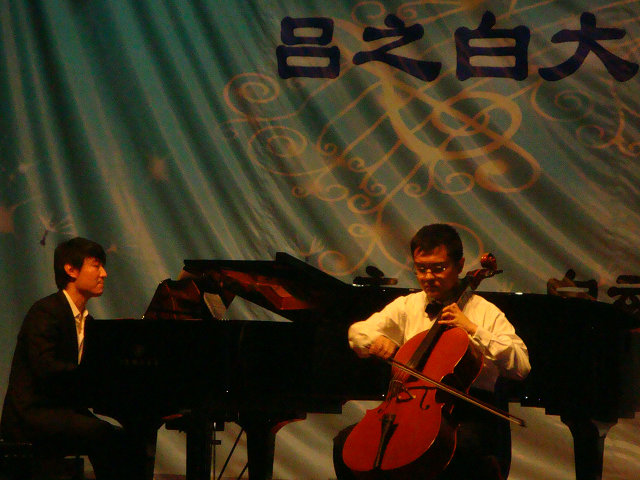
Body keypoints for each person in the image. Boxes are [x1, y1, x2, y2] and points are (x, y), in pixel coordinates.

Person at [333, 224, 531, 480]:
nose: (428, 277)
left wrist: (472, 329)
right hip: (406, 411)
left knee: (455, 451)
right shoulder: (408, 306)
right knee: (346, 446)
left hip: (467, 415)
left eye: (438, 268)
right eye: (421, 268)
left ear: (459, 266)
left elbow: (521, 366)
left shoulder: (484, 311)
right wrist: (376, 340)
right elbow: (358, 332)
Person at [1, 237, 154, 480]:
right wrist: (91, 378)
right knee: (103, 435)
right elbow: (46, 369)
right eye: (96, 266)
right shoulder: (45, 311)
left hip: (64, 410)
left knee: (128, 442)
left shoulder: (88, 323)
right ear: (71, 270)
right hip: (32, 414)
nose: (103, 274)